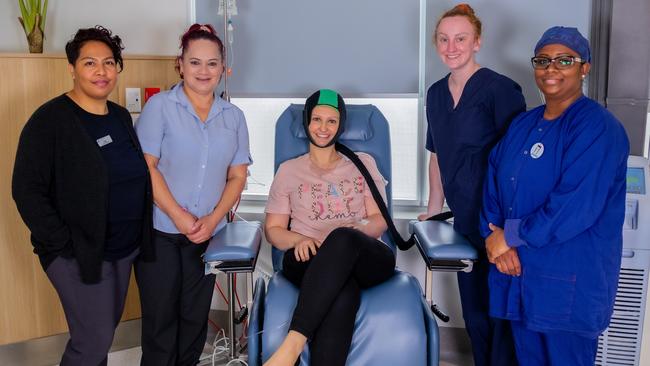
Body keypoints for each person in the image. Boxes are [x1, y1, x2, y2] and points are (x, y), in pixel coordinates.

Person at [480, 26, 629, 365]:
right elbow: (492, 183)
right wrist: (495, 238)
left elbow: (575, 207)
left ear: (584, 67)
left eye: (565, 60)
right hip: (519, 276)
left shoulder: (598, 128)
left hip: (568, 284)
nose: (551, 69)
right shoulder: (522, 125)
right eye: (543, 60)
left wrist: (511, 237)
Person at [12, 26, 153, 366]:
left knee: (97, 337)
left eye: (109, 62)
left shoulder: (119, 117)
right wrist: (63, 244)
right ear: (71, 68)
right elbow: (26, 190)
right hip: (78, 252)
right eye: (89, 63)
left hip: (122, 248)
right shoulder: (50, 121)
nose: (101, 71)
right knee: (93, 341)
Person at [134, 24, 252, 366]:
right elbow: (147, 167)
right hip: (161, 233)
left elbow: (237, 175)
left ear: (224, 69)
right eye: (195, 62)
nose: (204, 71)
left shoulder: (234, 117)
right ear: (180, 64)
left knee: (193, 320)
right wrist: (180, 216)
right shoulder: (160, 107)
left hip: (206, 236)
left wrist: (212, 219)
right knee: (160, 321)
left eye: (212, 63)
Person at [419, 4, 525, 365]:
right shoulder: (434, 94)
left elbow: (518, 162)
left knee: (501, 311)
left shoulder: (501, 90)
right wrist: (434, 210)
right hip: (464, 221)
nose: (452, 47)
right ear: (436, 44)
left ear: (477, 42)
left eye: (461, 38)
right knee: (475, 311)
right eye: (444, 39)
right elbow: (437, 153)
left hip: (497, 219)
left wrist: (508, 228)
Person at [263, 89, 395, 366]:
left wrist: (352, 232)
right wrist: (299, 240)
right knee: (341, 292)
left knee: (342, 239)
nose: (323, 128)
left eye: (332, 121)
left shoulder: (363, 163)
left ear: (341, 125)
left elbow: (379, 219)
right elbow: (273, 229)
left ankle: (291, 347)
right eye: (317, 119)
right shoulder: (288, 170)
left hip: (364, 257)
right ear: (306, 123)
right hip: (308, 258)